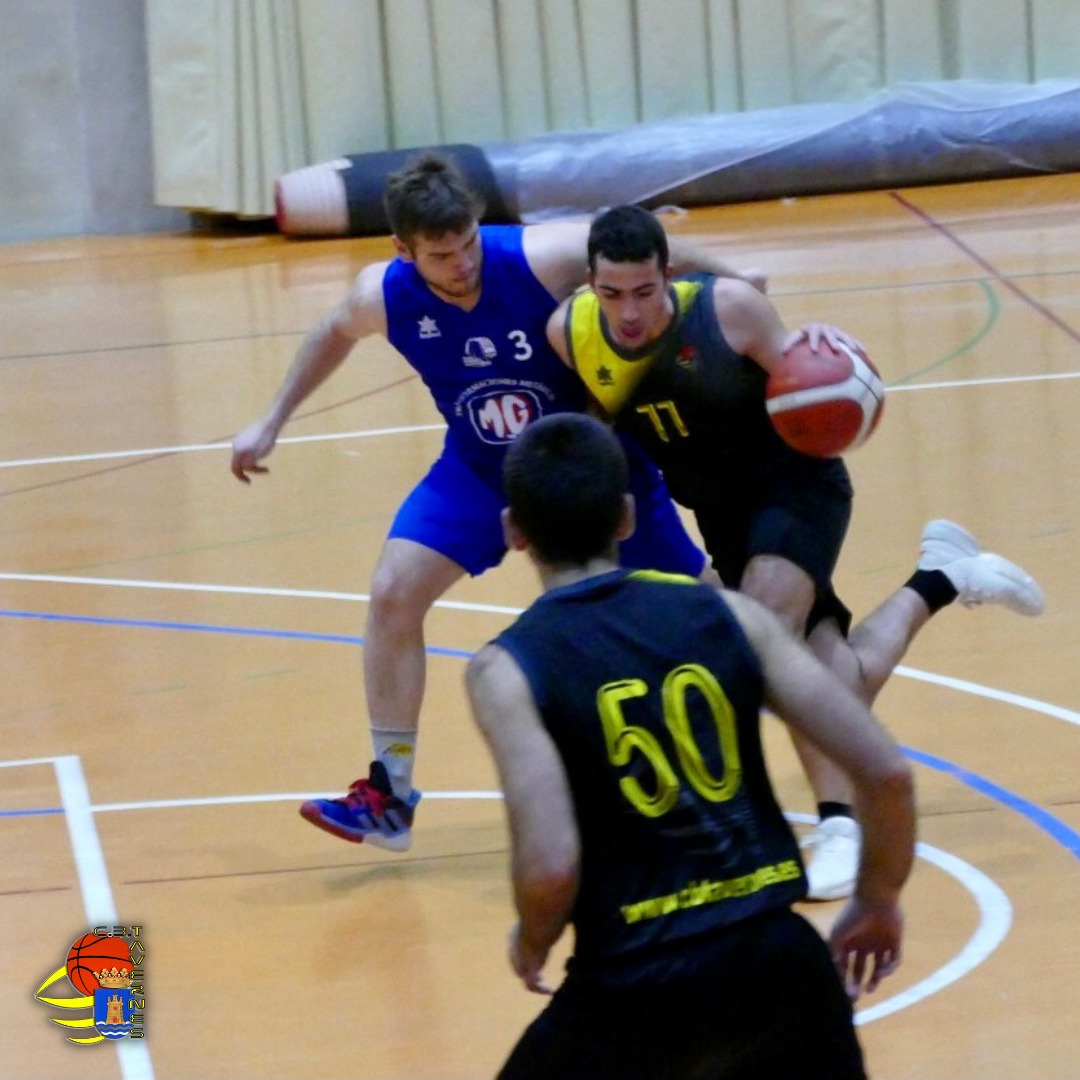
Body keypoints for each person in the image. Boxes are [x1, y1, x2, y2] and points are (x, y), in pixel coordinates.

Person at [230, 155, 762, 850]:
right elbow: (333, 331)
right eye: (442, 255)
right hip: (482, 470)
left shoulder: (541, 257)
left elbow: (654, 249)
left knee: (706, 606)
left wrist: (739, 281)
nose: (462, 265)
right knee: (393, 592)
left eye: (468, 245)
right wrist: (271, 419)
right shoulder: (381, 295)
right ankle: (390, 796)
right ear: (403, 250)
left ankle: (780, 706)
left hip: (587, 464)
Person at [545, 204, 1045, 900]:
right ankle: (941, 576)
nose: (628, 312)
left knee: (764, 638)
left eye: (643, 291)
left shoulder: (729, 311)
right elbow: (599, 426)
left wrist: (823, 351)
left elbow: (808, 375)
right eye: (611, 293)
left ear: (669, 274)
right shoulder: (571, 334)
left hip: (796, 488)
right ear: (589, 284)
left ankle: (839, 825)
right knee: (829, 684)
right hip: (720, 515)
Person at [466, 412, 916, 1080]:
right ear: (626, 517)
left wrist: (533, 938)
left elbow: (550, 866)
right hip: (777, 964)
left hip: (632, 982)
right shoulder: (732, 615)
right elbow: (885, 773)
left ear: (513, 531)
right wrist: (877, 898)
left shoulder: (506, 669)